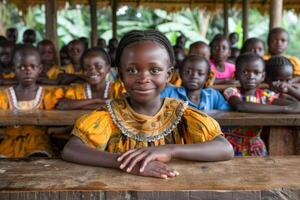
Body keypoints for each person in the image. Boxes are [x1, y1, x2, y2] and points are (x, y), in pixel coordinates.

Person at [62, 30, 233, 179]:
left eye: (154, 70)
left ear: (169, 74)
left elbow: (224, 148)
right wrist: (129, 163)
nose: (143, 78)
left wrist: (170, 150)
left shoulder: (182, 114)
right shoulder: (108, 116)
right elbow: (71, 149)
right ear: (120, 75)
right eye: (132, 70)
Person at [223, 53, 300, 156]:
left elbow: (295, 105)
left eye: (256, 72)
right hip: (230, 143)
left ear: (263, 76)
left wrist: (288, 89)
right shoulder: (231, 91)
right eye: (245, 72)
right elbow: (241, 106)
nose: (251, 76)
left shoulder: (265, 95)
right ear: (236, 74)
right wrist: (286, 109)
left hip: (255, 144)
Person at [0, 44, 64, 158]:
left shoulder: (48, 96)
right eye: (22, 67)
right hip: (9, 143)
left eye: (33, 66)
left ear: (40, 69)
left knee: (39, 159)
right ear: (14, 69)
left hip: (38, 143)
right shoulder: (4, 96)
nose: (28, 71)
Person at [57, 47, 124, 110]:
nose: (92, 71)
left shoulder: (118, 88)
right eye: (87, 67)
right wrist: (97, 100)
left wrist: (79, 105)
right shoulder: (76, 90)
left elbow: (122, 105)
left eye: (98, 66)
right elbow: (62, 105)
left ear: (108, 69)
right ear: (82, 71)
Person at [161, 55, 230, 111]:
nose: (194, 76)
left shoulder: (213, 95)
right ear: (180, 74)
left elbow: (226, 113)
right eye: (188, 72)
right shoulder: (168, 93)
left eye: (200, 73)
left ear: (207, 77)